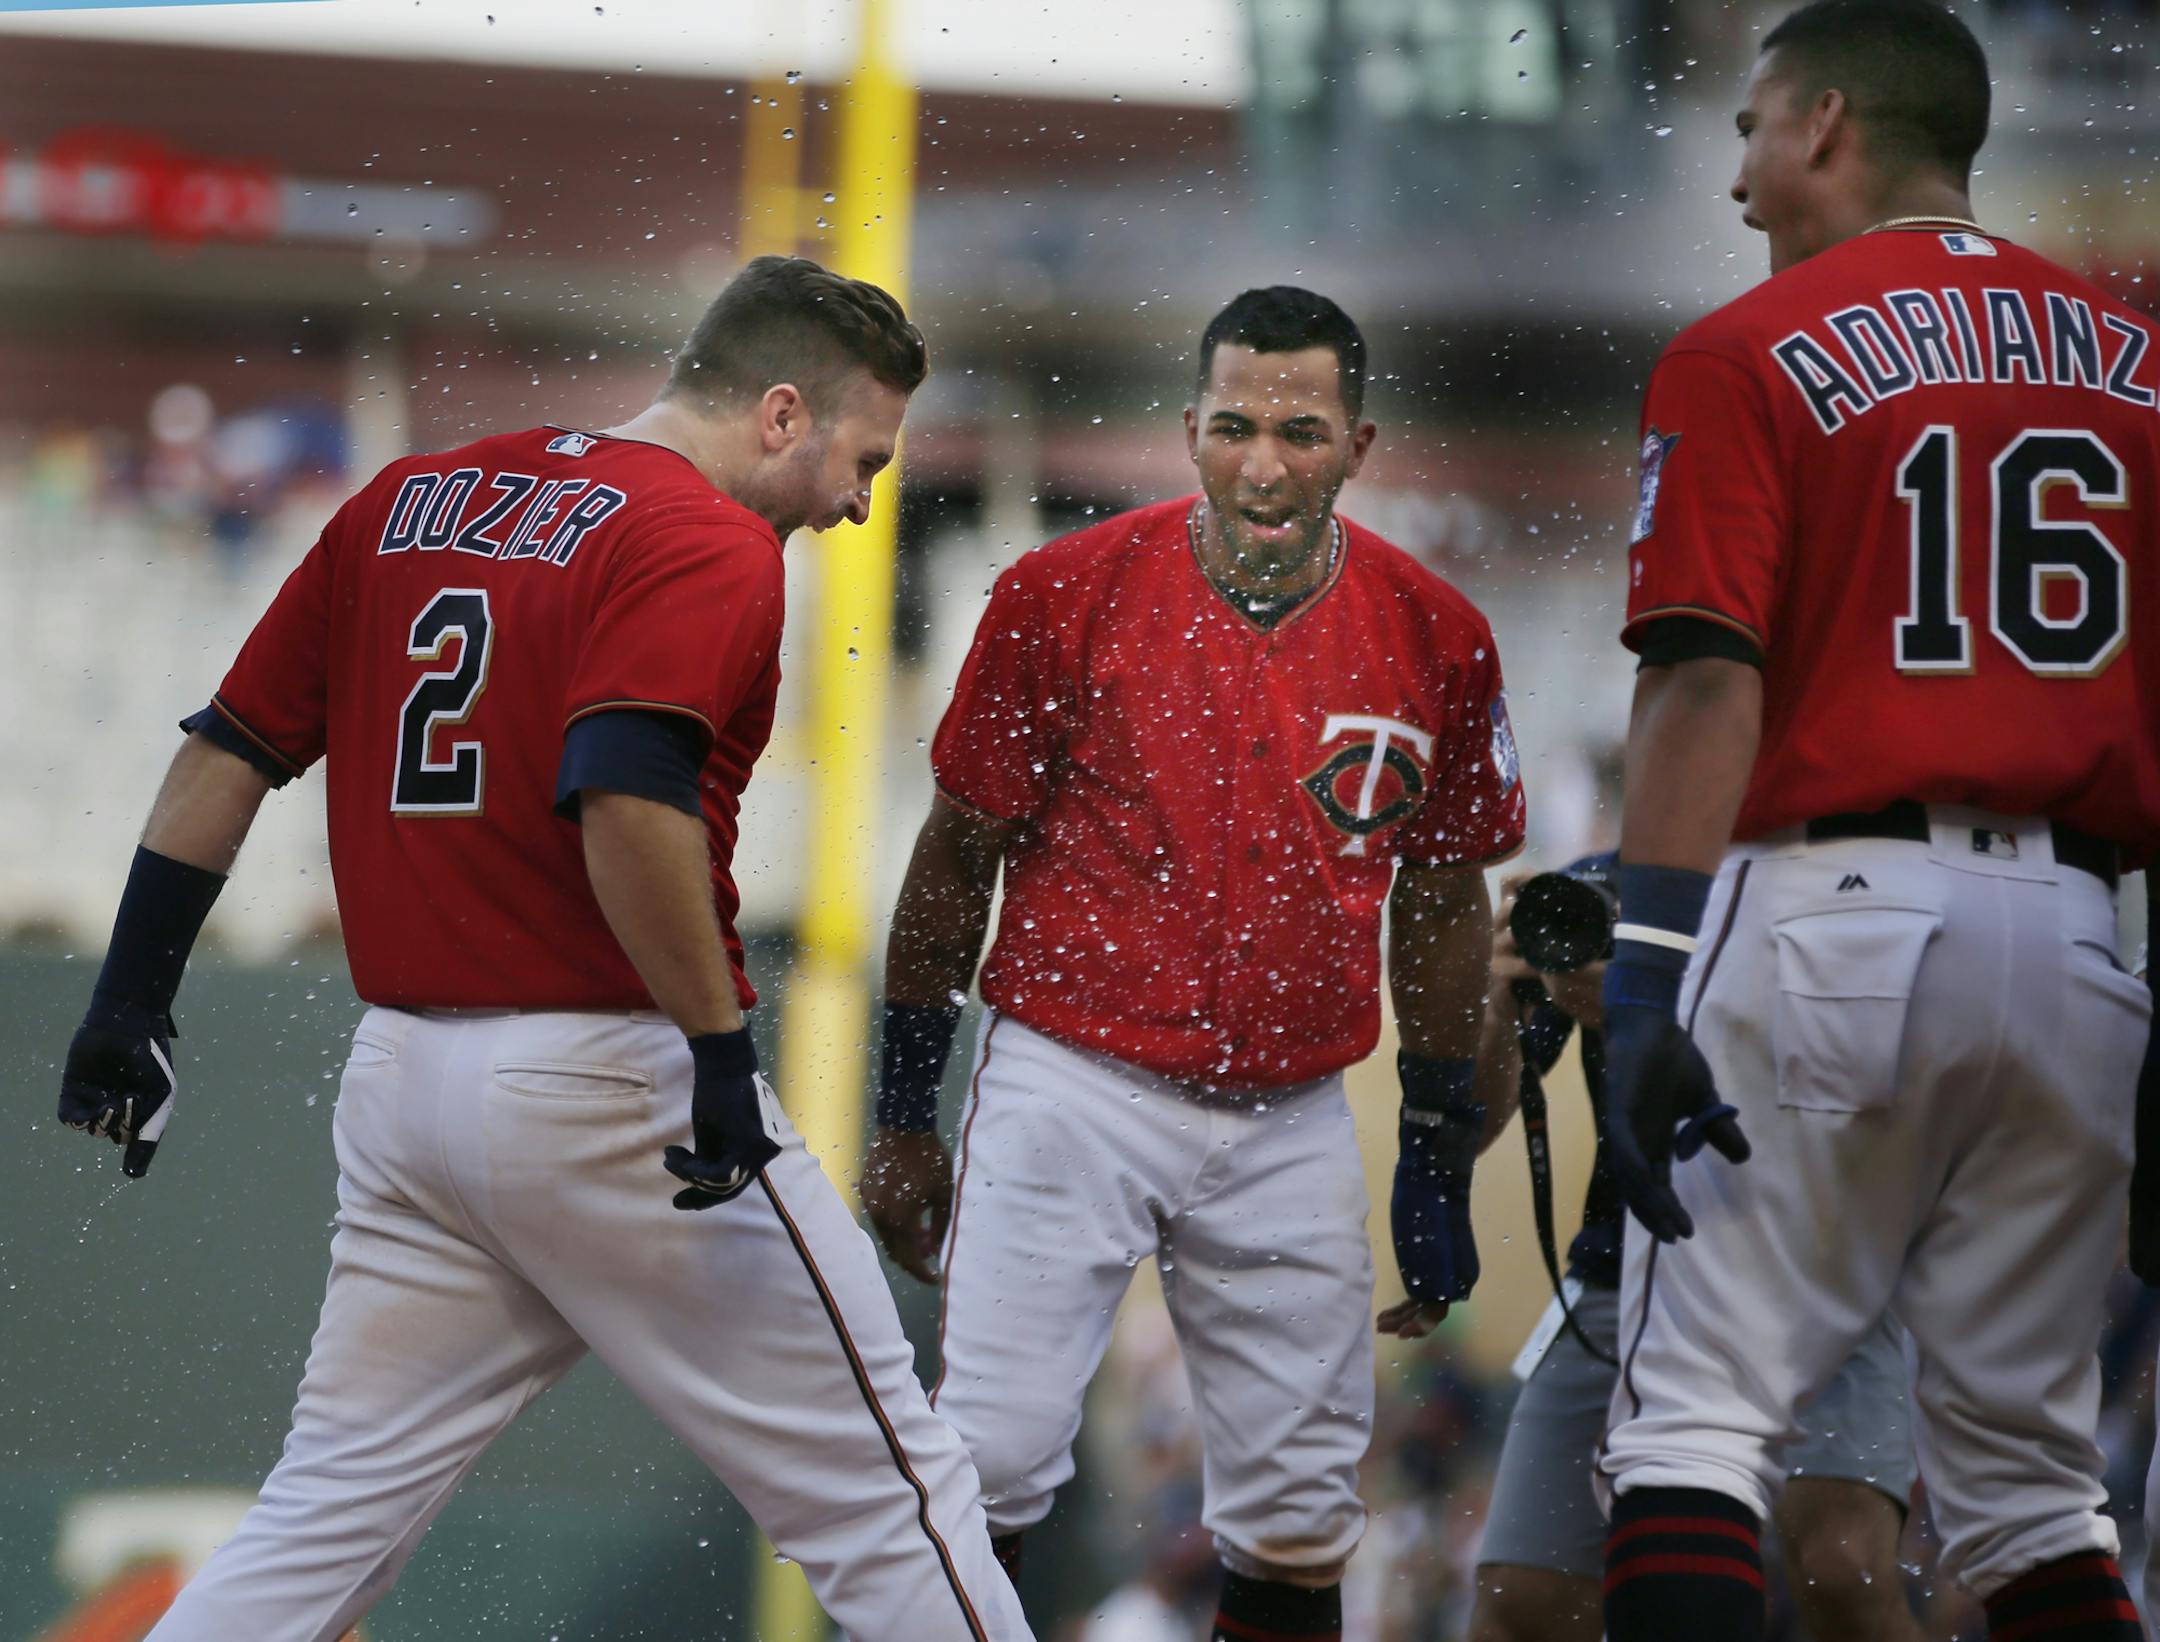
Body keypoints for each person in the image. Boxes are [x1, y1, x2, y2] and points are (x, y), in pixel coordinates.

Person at [54, 255, 1032, 1642]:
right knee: (891, 1498)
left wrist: (130, 997)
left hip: (404, 1087)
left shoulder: (407, 499)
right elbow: (624, 795)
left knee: (321, 1517)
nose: (861, 497)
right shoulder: (705, 538)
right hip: (604, 1076)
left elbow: (230, 751)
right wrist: (709, 1046)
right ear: (777, 413)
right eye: (861, 455)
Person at [1587, 3, 2159, 1639]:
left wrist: (1640, 982)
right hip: (2079, 944)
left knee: (1693, 1425)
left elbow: (1704, 680)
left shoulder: (1745, 345)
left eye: (1756, 129)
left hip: (1830, 915)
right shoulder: (2139, 362)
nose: (1744, 177)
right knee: (2038, 1493)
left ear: (1830, 120)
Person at [859, 286, 1527, 1642]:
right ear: (1188, 428)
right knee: (981, 1465)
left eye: (1299, 427)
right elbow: (954, 856)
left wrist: (1440, 1146)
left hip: (1286, 1105)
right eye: (1233, 425)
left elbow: (1447, 902)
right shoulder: (1066, 590)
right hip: (1072, 1074)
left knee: (1299, 1513)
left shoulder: (1435, 631)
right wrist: (901, 1107)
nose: (1263, 462)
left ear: (1361, 442)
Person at [1466, 859, 1922, 1642]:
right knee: (1524, 1602)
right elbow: (1473, 1126)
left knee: (1843, 1572)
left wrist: (1650, 1002)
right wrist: (1497, 1006)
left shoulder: (1847, 877)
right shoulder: (1601, 890)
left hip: (1818, 1265)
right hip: (1625, 1265)